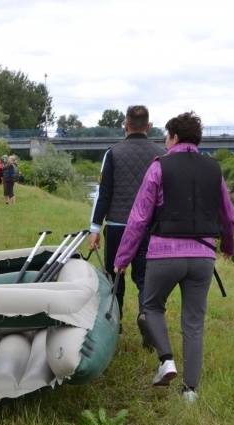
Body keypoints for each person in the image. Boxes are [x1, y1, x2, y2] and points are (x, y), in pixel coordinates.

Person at [114, 111, 234, 403]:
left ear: (175, 137)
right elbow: (229, 217)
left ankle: (166, 360)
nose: (166, 143)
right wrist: (228, 247)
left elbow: (139, 218)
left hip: (164, 254)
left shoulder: (159, 167)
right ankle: (190, 391)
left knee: (152, 306)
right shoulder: (213, 168)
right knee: (194, 322)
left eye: (167, 137)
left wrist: (122, 259)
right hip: (203, 258)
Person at [89, 105, 165, 342]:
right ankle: (146, 316)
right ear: (149, 127)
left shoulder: (113, 153)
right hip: (149, 228)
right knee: (145, 278)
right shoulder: (161, 155)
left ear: (126, 126)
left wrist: (94, 228)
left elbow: (104, 193)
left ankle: (114, 325)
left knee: (114, 276)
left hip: (118, 226)